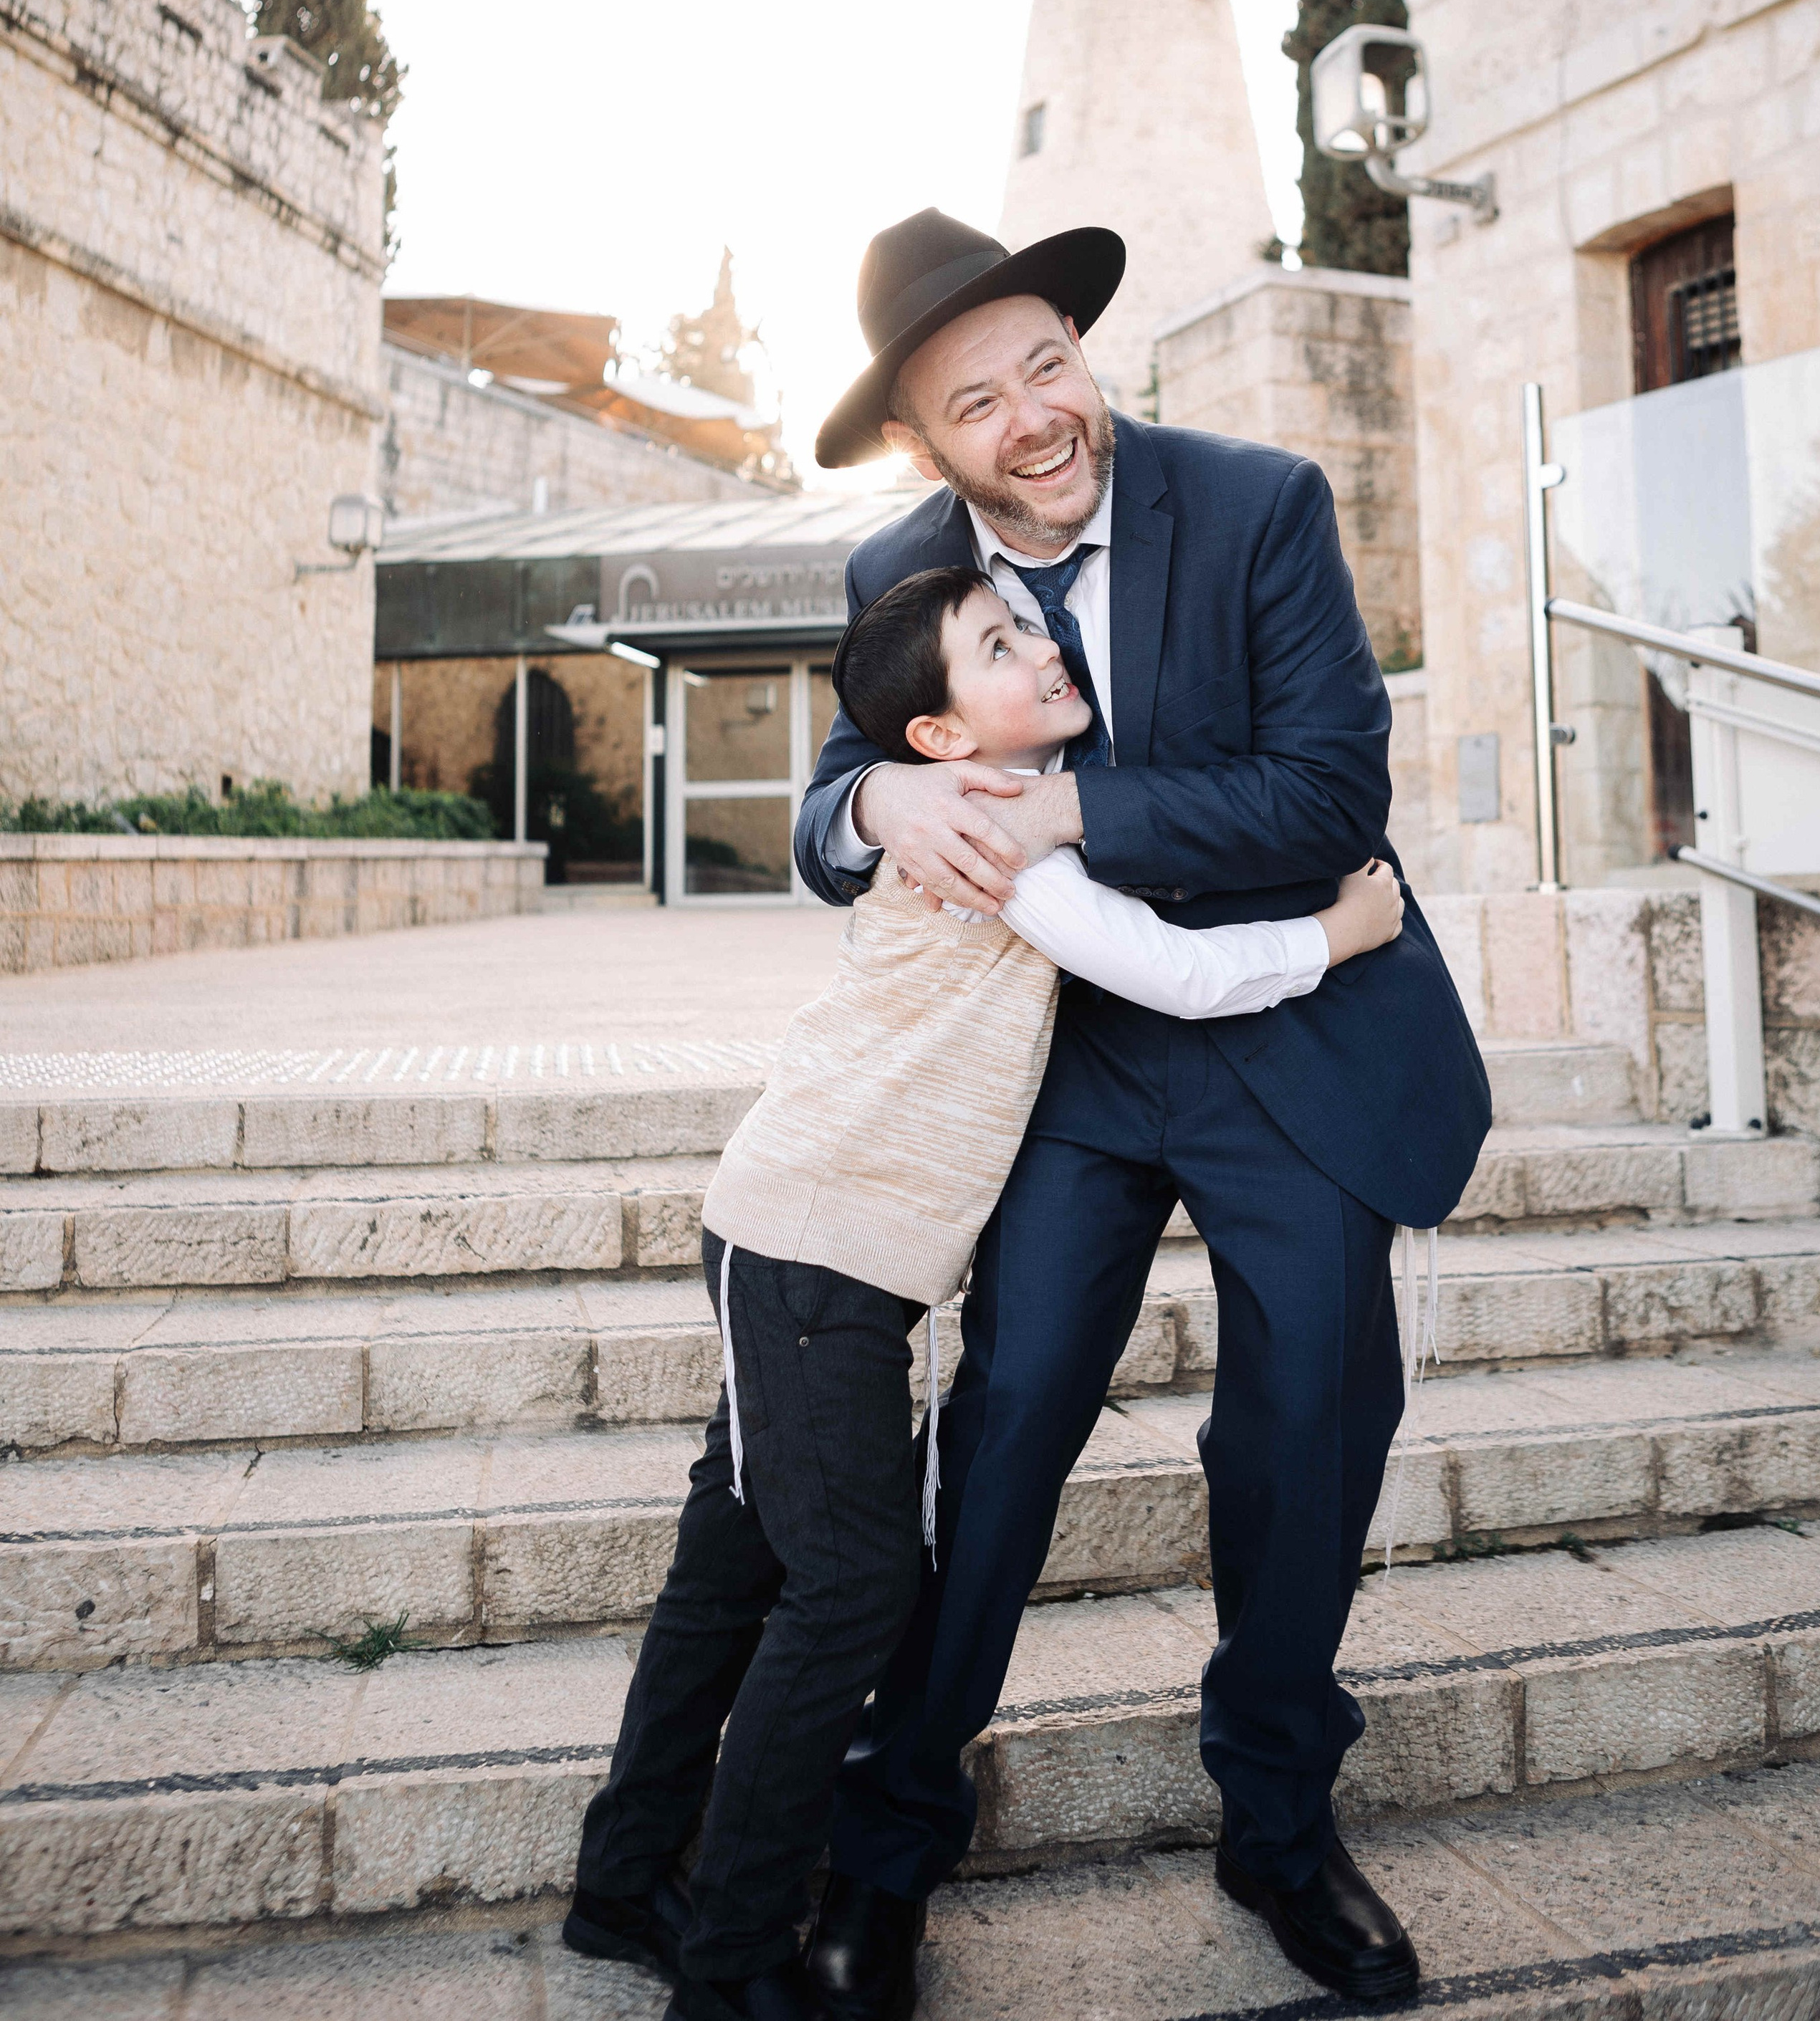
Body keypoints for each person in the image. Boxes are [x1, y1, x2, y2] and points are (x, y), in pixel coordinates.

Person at [794, 208, 1491, 2017]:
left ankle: (1278, 1823)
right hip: (1069, 1065)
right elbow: (834, 794)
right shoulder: (891, 566)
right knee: (1004, 1417)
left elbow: (1327, 791)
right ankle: (889, 1838)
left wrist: (1068, 813)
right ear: (920, 441)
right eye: (976, 400)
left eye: (1046, 362)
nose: (1032, 414)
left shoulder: (1256, 502)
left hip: (1295, 1031)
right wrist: (871, 809)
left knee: (1304, 1429)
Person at [564, 558, 1404, 2021]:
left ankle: (624, 1880)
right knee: (848, 1591)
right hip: (811, 1255)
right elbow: (1169, 972)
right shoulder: (1003, 831)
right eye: (998, 645)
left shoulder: (1012, 799)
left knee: (734, 1568)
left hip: (817, 1251)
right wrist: (1337, 934)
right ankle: (735, 1957)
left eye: (1025, 625)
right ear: (941, 736)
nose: (1039, 643)